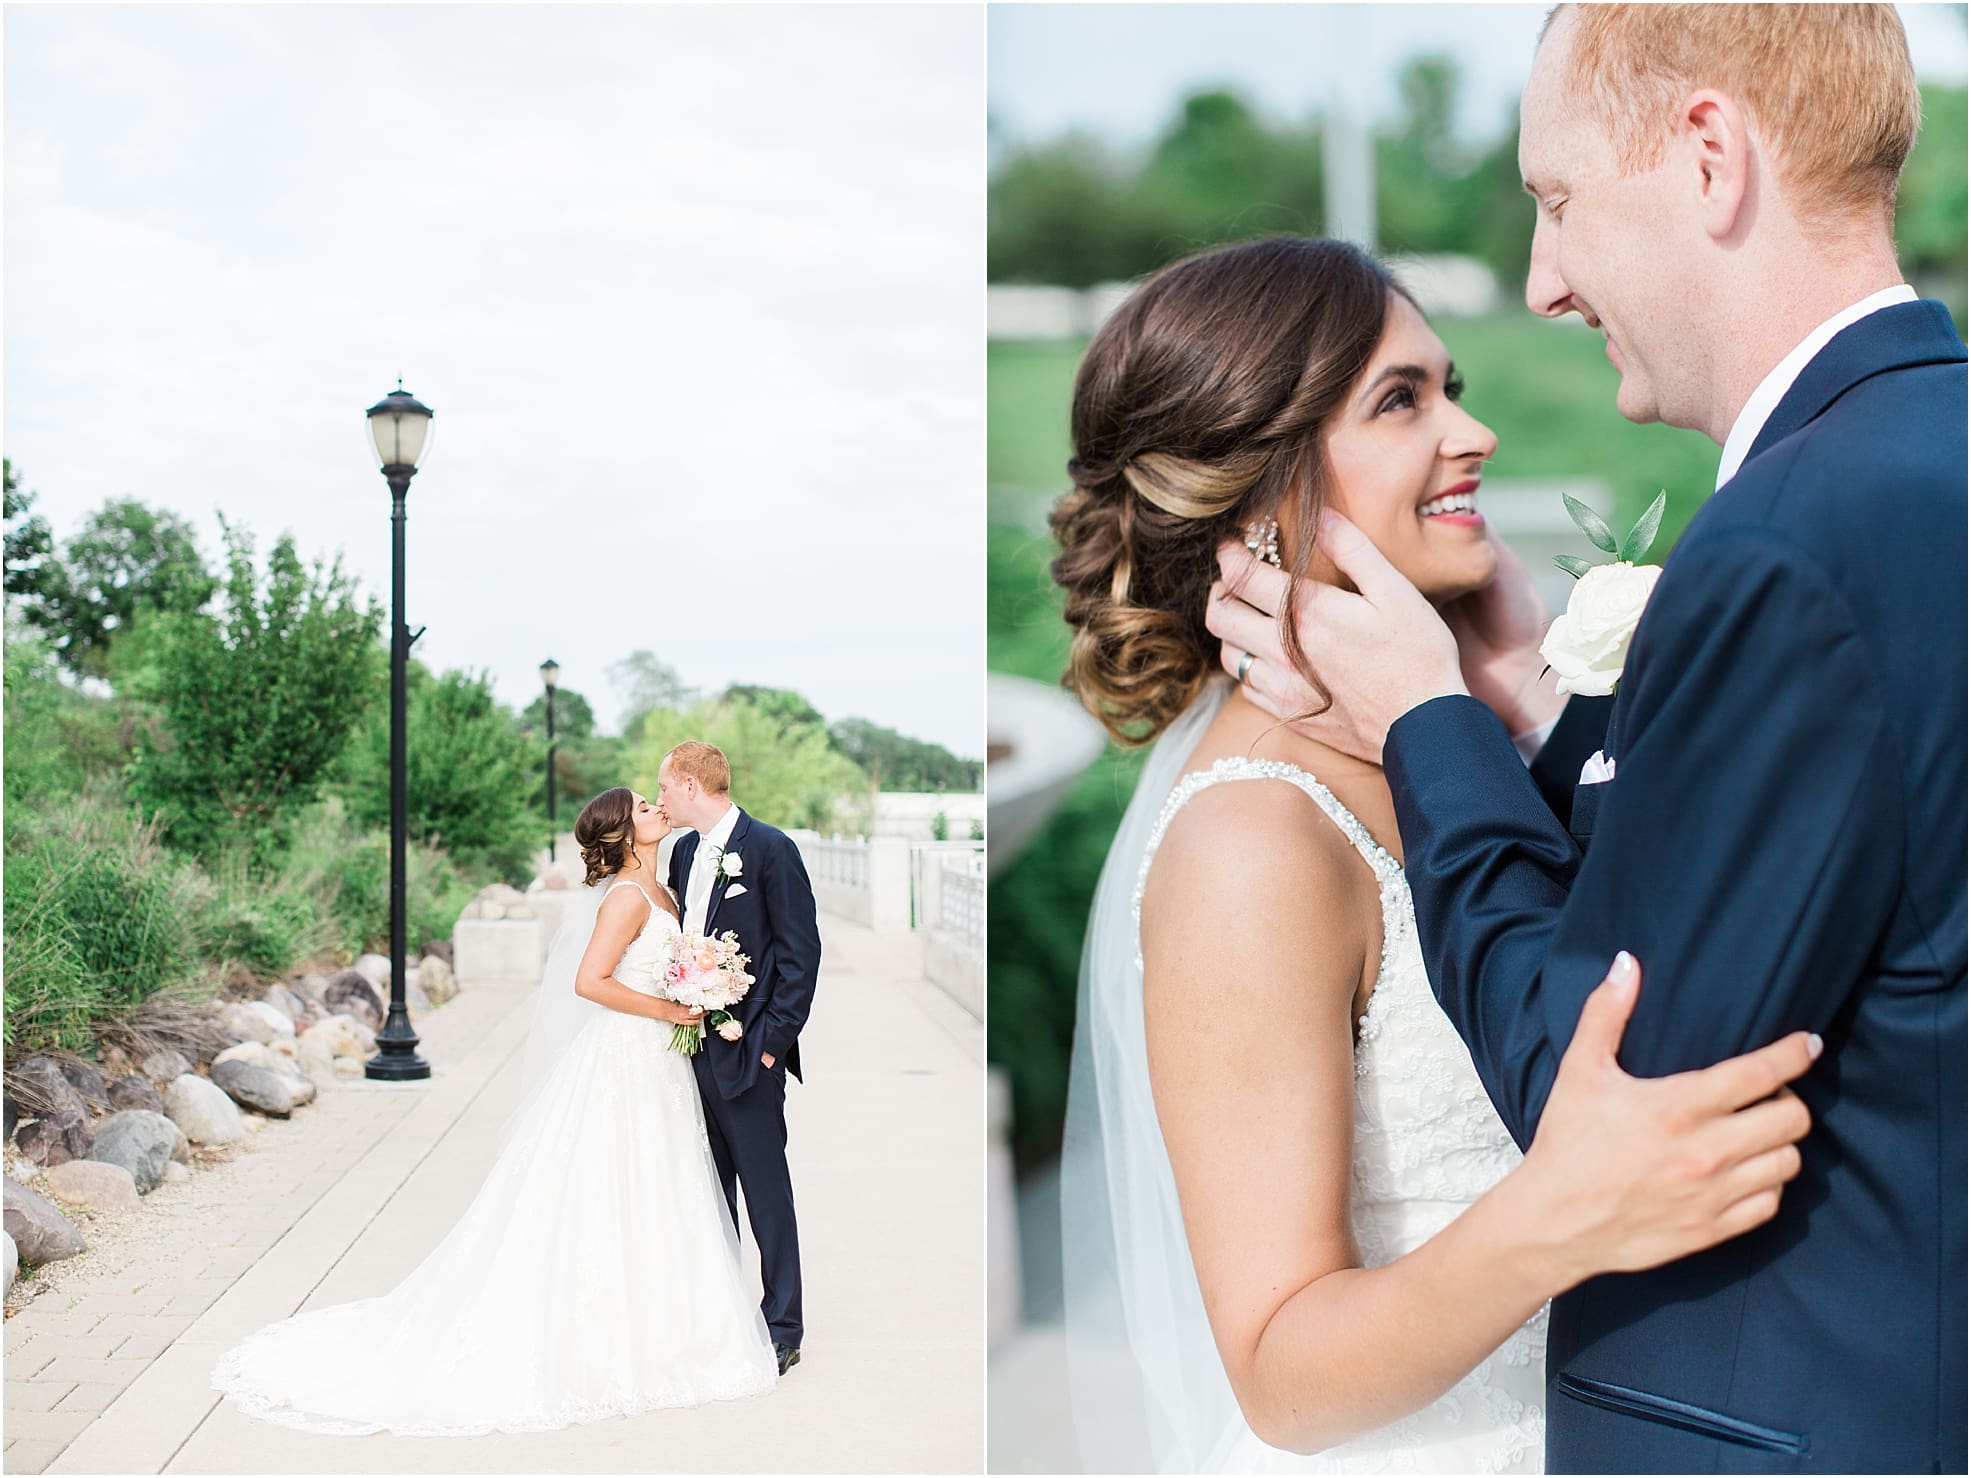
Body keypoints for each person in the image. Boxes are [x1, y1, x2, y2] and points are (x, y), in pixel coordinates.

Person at [1206, 6, 1964, 1471]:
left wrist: (1428, 722)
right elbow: (1797, 878)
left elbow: (1605, 1101)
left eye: (1553, 201)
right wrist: (1536, 719)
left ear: (1704, 155)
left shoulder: (1785, 545)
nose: (1542, 282)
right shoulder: (1929, 459)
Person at [1053, 234, 1823, 1474]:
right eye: (1402, 400)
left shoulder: (1459, 751)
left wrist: (1528, 701)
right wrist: (1563, 1210)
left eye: (1449, 387)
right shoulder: (1253, 838)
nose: (1473, 435)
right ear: (1258, 492)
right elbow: (1282, 1372)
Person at [212, 787, 778, 1435]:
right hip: (624, 1056)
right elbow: (588, 982)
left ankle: (672, 1325)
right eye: (644, 806)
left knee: (659, 1181)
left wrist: (699, 985)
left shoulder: (666, 892)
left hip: (661, 1063)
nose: (656, 807)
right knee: (608, 1181)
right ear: (624, 834)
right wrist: (669, 1009)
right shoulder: (624, 899)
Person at [659, 741, 822, 1376]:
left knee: (765, 1191)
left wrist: (771, 1046)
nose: (663, 799)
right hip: (688, 1050)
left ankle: (783, 1324)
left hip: (750, 1051)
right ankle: (722, 1314)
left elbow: (798, 955)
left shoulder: (770, 848)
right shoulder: (680, 852)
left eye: (666, 788)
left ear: (693, 786)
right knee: (706, 1188)